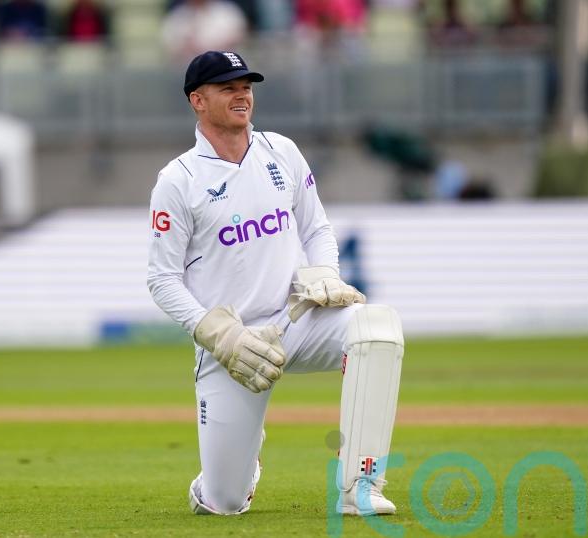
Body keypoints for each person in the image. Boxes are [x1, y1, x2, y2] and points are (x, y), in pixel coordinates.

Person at [147, 50, 406, 516]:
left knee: (377, 330)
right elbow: (162, 280)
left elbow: (317, 229)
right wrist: (218, 334)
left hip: (299, 321)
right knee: (223, 504)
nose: (242, 94)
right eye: (228, 87)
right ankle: (233, 468)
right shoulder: (178, 180)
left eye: (246, 86)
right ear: (197, 101)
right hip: (234, 346)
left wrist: (324, 274)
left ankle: (360, 486)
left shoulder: (280, 151)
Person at [161, 0, 248, 62]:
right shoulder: (178, 15)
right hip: (185, 72)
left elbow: (236, 39)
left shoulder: (227, 11)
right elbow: (169, 45)